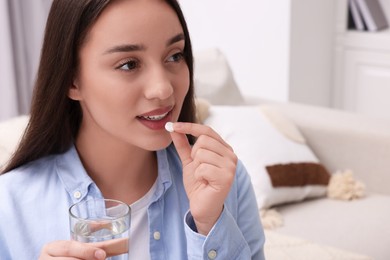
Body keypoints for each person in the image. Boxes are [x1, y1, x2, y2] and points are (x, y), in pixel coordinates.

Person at [0, 0, 265, 259]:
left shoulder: (226, 184)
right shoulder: (9, 208)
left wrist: (210, 228)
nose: (163, 88)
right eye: (129, 64)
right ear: (72, 80)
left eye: (175, 55)